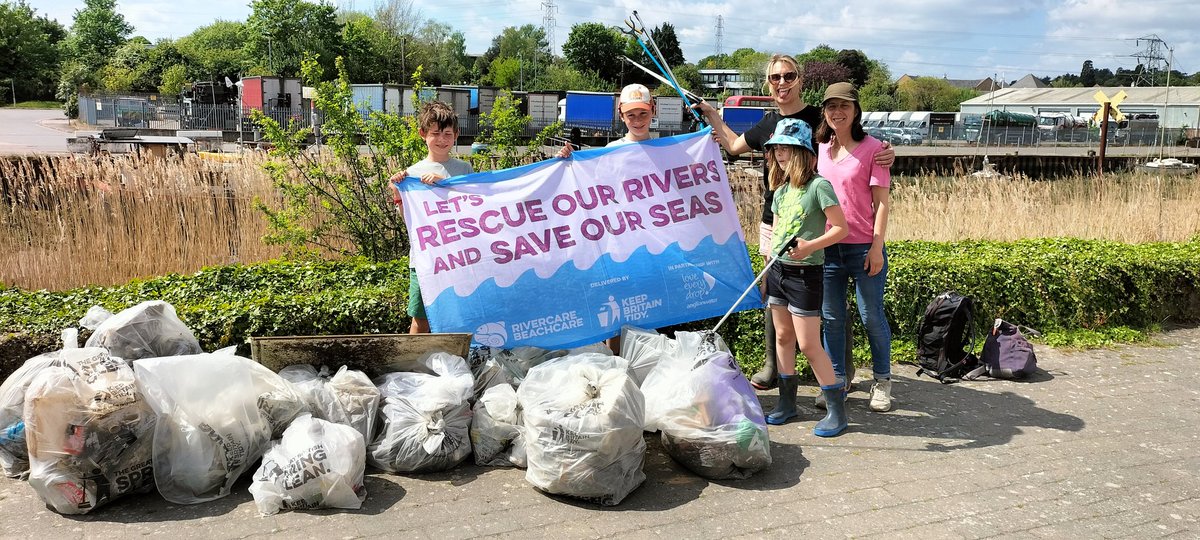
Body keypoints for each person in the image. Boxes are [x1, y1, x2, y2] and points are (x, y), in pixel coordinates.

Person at [693, 54, 894, 391]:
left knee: (828, 300)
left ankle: (840, 371)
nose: (782, 83)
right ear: (767, 84)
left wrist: (887, 151)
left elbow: (855, 143)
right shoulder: (766, 123)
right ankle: (775, 365)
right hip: (776, 218)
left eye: (788, 76)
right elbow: (733, 146)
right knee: (775, 291)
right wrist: (713, 115)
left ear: (800, 79)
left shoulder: (820, 116)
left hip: (815, 222)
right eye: (775, 78)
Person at [760, 118, 849, 435]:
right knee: (783, 337)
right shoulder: (781, 191)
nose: (780, 153)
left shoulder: (818, 186)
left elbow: (841, 228)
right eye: (777, 148)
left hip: (806, 276)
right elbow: (778, 231)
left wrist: (811, 245)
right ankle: (787, 404)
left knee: (810, 344)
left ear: (802, 152)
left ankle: (837, 412)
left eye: (786, 147)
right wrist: (768, 268)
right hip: (780, 272)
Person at [815, 82, 895, 412]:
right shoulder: (820, 147)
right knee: (831, 318)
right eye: (831, 106)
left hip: (863, 248)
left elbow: (882, 204)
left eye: (844, 106)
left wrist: (877, 247)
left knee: (870, 316)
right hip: (828, 248)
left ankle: (882, 382)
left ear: (855, 110)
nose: (838, 112)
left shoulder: (874, 148)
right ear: (824, 112)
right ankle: (836, 383)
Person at [388, 100, 474, 334]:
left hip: (460, 257)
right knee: (421, 318)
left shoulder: (465, 170)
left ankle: (456, 362)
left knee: (459, 315)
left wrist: (443, 185)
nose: (442, 139)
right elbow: (410, 222)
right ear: (423, 134)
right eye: (435, 133)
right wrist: (398, 195)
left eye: (447, 133)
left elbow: (475, 208)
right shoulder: (411, 174)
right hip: (425, 261)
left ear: (456, 135)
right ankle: (414, 366)